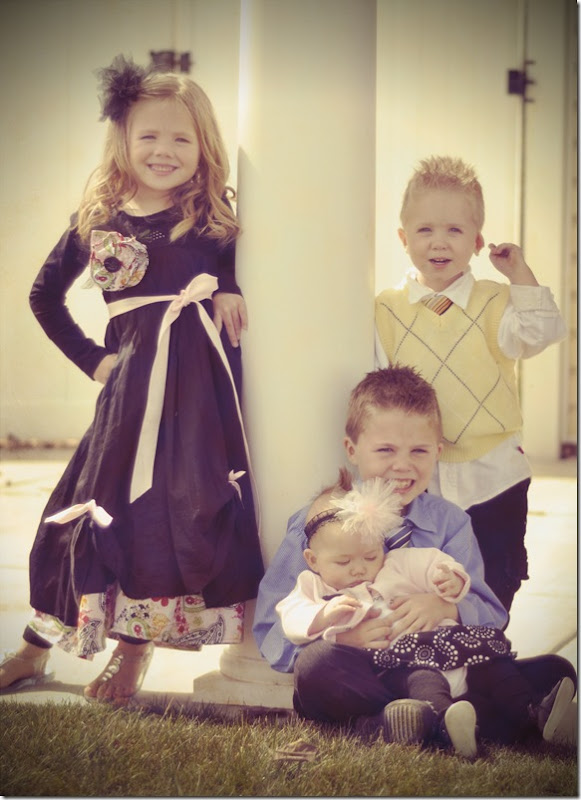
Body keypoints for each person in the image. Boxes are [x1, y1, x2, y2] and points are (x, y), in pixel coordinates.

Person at [0, 55, 263, 704]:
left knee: (165, 525)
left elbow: (237, 273)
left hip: (193, 408)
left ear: (203, 147)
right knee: (83, 517)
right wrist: (95, 360)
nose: (163, 150)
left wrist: (227, 286)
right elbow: (42, 297)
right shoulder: (100, 219)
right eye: (148, 135)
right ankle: (33, 648)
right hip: (127, 406)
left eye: (181, 138)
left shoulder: (214, 220)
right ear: (122, 139)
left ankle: (133, 650)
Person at [253, 365, 576, 745]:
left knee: (554, 670)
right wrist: (343, 638)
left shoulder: (450, 524)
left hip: (440, 664)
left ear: (438, 452)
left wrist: (446, 607)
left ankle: (430, 720)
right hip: (361, 671)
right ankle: (402, 721)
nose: (402, 465)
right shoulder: (319, 523)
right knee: (316, 667)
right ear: (352, 450)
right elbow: (270, 628)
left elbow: (490, 613)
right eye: (385, 450)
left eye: (419, 451)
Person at [375, 155, 567, 612]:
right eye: (425, 229)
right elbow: (377, 388)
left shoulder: (495, 302)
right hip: (424, 475)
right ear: (403, 238)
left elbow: (542, 333)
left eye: (455, 230)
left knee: (499, 571)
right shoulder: (387, 309)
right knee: (427, 571)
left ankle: (487, 642)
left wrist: (519, 275)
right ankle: (444, 643)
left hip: (494, 471)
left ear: (477, 242)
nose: (439, 242)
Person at [276, 473, 575, 757]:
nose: (359, 569)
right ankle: (442, 723)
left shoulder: (397, 564)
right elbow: (291, 613)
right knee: (321, 664)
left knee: (500, 665)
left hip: (455, 654)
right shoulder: (314, 587)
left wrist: (450, 579)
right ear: (313, 560)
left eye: (370, 556)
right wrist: (327, 620)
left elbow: (433, 563)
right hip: (399, 671)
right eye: (343, 562)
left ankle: (530, 712)